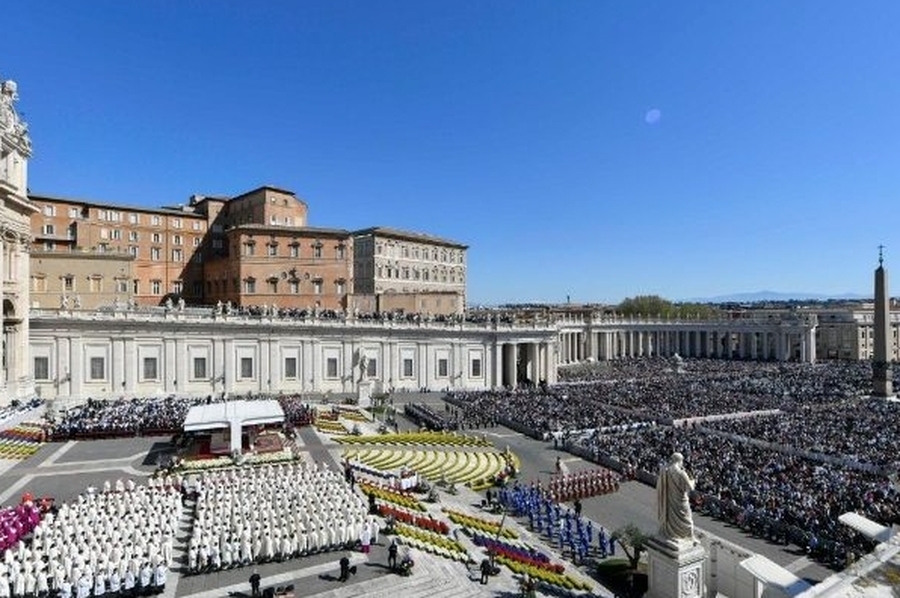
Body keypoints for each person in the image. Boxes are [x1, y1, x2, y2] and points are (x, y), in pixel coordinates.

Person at [657, 452, 696, 541]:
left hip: (670, 498)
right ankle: (689, 536)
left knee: (672, 518)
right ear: (680, 461)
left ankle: (672, 533)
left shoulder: (665, 470)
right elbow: (690, 487)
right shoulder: (681, 473)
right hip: (681, 500)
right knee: (688, 520)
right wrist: (693, 480)